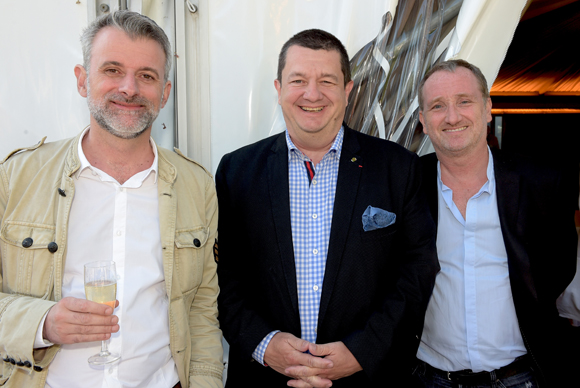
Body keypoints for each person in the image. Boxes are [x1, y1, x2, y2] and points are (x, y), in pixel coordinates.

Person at [0, 11, 223, 388]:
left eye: (147, 76)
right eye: (112, 70)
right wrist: (42, 323)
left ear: (165, 92)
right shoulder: (17, 178)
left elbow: (201, 309)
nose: (129, 88)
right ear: (82, 80)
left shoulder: (196, 185)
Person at [215, 28, 439, 387]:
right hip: (265, 378)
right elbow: (223, 277)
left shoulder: (398, 168)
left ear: (348, 92)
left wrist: (361, 350)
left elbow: (417, 271)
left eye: (327, 81)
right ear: (279, 89)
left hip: (369, 377)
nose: (312, 94)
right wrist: (265, 344)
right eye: (298, 80)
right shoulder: (237, 171)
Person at [413, 59, 579, 388]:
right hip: (427, 378)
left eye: (464, 101)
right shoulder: (405, 185)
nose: (452, 116)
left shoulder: (543, 183)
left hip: (520, 376)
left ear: (488, 109)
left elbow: (560, 269)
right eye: (437, 106)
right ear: (422, 120)